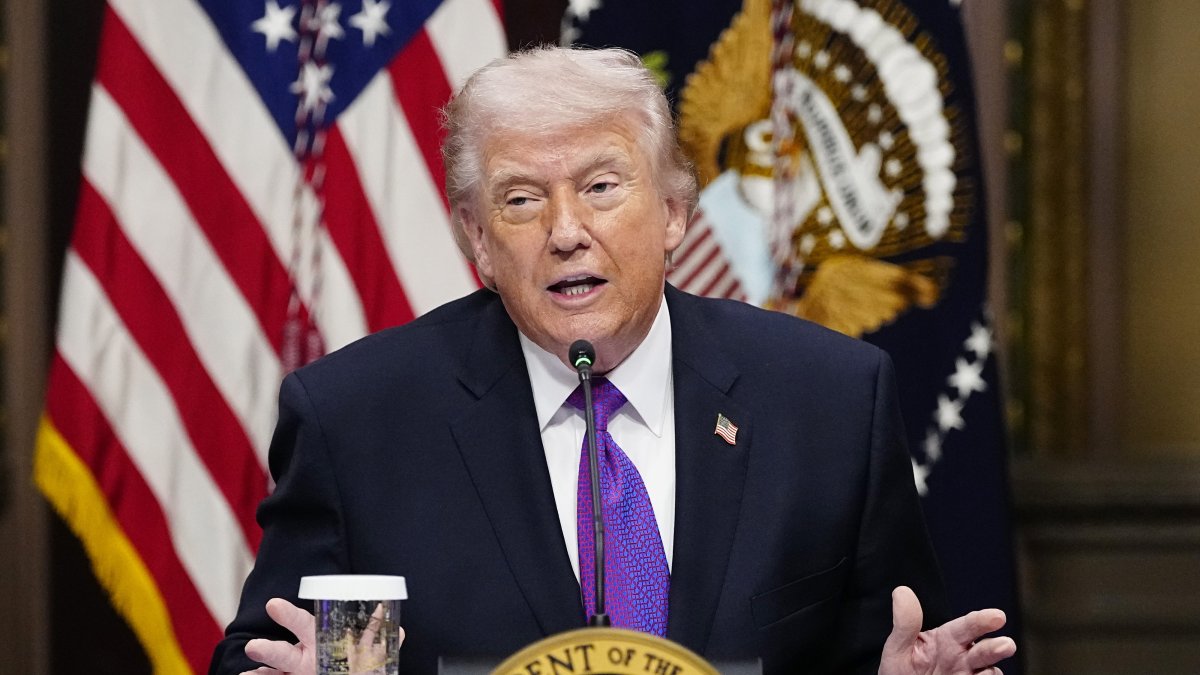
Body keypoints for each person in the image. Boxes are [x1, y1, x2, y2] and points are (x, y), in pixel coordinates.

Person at [210, 46, 1016, 675]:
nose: (565, 231)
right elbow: (260, 653)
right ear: (479, 240)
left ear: (672, 211)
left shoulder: (830, 400)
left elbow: (893, 644)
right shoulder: (358, 421)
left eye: (601, 186)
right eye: (521, 198)